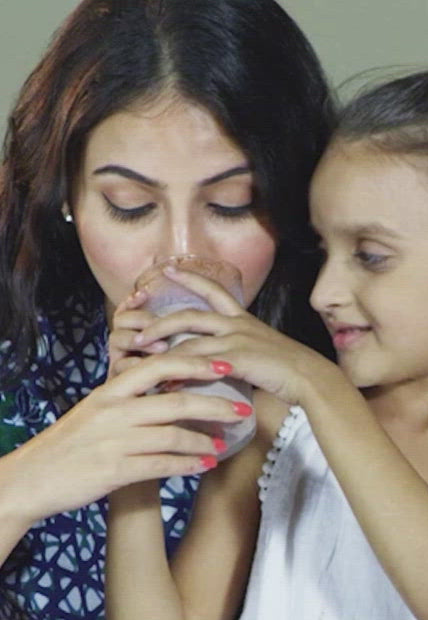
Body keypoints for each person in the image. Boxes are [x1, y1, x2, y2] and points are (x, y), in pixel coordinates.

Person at [106, 67, 428, 620]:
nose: (323, 293)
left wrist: (318, 382)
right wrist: (134, 466)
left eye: (370, 256)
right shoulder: (278, 432)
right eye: (324, 251)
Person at [0, 0, 334, 617]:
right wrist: (22, 485)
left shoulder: (330, 379)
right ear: (65, 192)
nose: (182, 257)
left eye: (233, 203)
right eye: (130, 205)